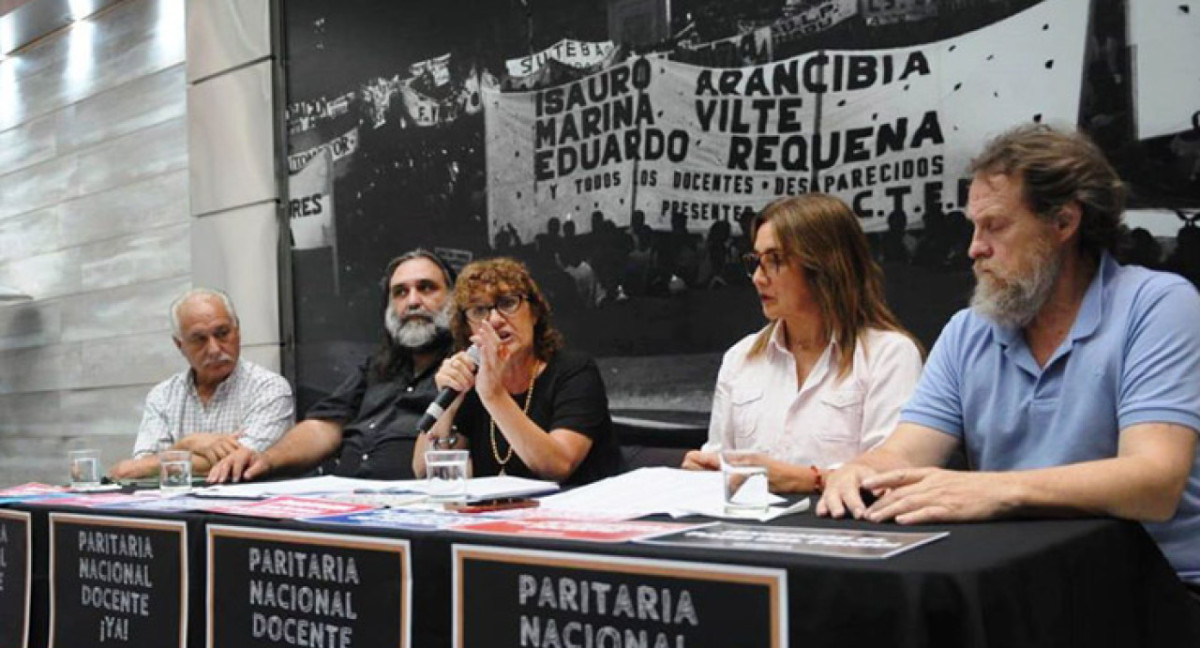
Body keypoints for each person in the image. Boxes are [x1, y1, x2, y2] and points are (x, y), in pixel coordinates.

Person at [817, 125, 1200, 591]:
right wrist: (863, 470)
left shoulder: (1157, 304)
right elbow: (905, 451)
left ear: (1063, 223)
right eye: (973, 227)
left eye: (995, 226)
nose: (974, 248)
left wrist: (991, 490)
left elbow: (1154, 482)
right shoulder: (969, 329)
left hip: (1157, 590)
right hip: (1022, 585)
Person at [681, 194, 924, 492]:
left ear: (824, 266)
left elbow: (891, 478)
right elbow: (721, 463)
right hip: (751, 532)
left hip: (846, 531)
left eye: (775, 261)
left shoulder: (889, 356)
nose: (758, 277)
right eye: (756, 261)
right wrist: (705, 469)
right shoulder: (740, 358)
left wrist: (802, 479)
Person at [207, 250, 456, 482]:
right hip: (345, 502)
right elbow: (322, 427)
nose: (412, 301)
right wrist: (266, 459)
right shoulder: (376, 367)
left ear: (454, 299)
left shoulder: (463, 370)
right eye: (400, 292)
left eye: (426, 288)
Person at [413, 257, 622, 485]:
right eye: (479, 310)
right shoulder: (471, 382)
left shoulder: (574, 371)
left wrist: (494, 395)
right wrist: (449, 409)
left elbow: (558, 466)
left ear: (534, 313)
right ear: (468, 327)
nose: (494, 320)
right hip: (499, 517)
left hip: (581, 514)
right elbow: (423, 472)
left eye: (507, 303)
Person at [109, 289, 294, 479]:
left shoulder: (270, 389)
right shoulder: (163, 395)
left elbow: (241, 462)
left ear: (237, 331)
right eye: (199, 339)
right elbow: (137, 469)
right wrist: (189, 443)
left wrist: (168, 457)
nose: (214, 349)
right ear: (180, 345)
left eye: (222, 333)